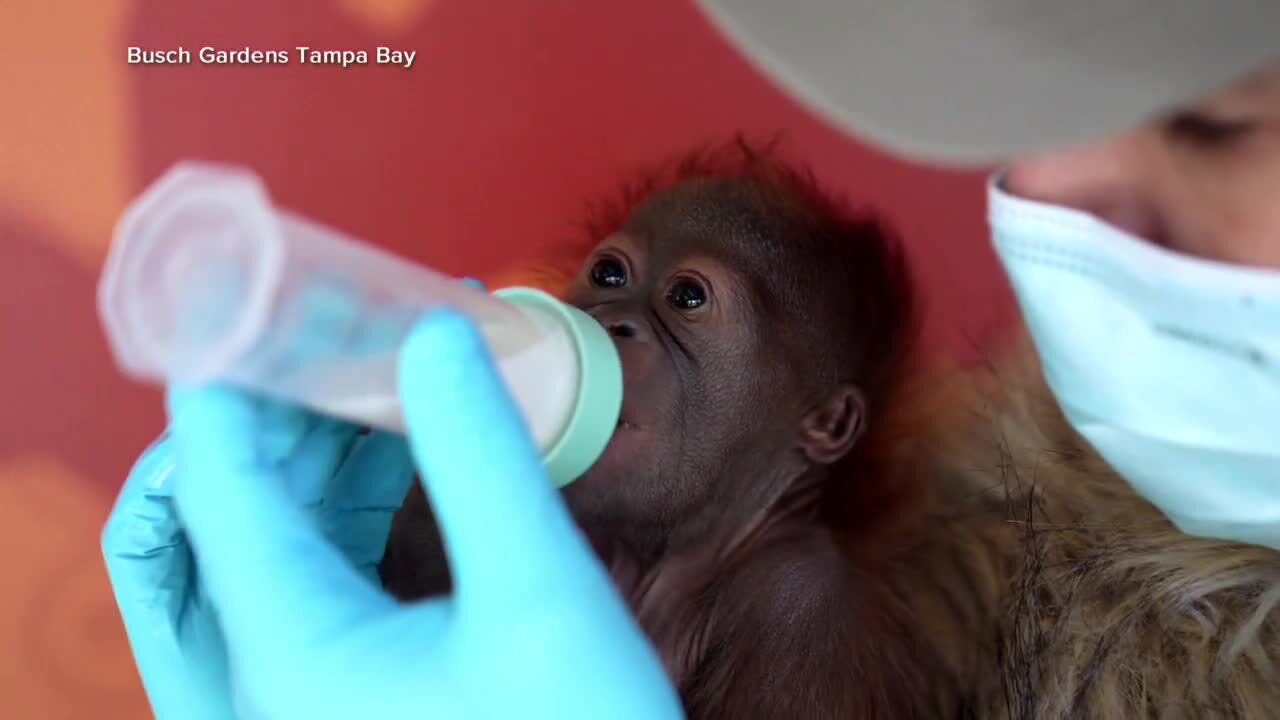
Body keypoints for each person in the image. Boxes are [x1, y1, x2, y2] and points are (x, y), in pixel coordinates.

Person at [102, 3, 1278, 717]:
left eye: (1222, 117)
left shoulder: (797, 600)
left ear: (817, 428)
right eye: (608, 279)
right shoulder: (473, 503)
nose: (1074, 225)